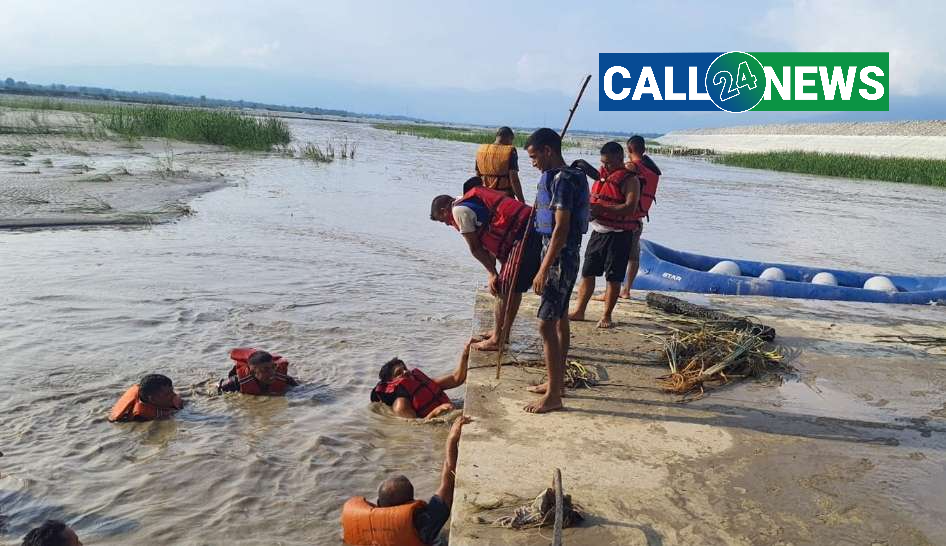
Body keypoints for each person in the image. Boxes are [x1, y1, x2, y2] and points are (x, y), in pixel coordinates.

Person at [522, 128, 589, 414]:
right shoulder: (564, 176)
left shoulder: (563, 180)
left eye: (535, 156)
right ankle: (556, 385)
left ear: (548, 150)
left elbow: (560, 230)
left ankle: (553, 397)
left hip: (559, 259)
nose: (533, 163)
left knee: (545, 325)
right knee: (560, 318)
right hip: (562, 256)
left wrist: (543, 269)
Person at [430, 185, 542, 352]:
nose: (446, 224)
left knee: (503, 287)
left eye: (442, 219)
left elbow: (475, 248)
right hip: (529, 228)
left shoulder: (458, 211)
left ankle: (498, 339)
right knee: (513, 286)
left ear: (444, 209)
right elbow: (488, 242)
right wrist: (494, 270)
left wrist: (492, 273)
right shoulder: (467, 201)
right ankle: (503, 333)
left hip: (524, 234)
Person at [341, 415, 471, 546]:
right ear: (412, 502)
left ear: (378, 504)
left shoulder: (362, 527)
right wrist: (452, 439)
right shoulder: (424, 523)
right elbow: (448, 478)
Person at [568, 142, 640, 328]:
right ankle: (579, 311)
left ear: (619, 158)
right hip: (598, 232)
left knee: (613, 277)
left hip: (620, 235)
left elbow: (630, 207)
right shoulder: (602, 176)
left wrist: (602, 208)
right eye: (603, 162)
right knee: (587, 272)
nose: (605, 166)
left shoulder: (630, 180)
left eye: (608, 163)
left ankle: (607, 316)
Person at [371, 338, 473, 419]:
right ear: (392, 383)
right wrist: (435, 412)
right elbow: (416, 427)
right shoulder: (400, 405)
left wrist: (465, 354)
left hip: (451, 411)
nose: (406, 372)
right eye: (399, 373)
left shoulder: (424, 384)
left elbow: (456, 379)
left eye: (405, 368)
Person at [218, 348, 299, 395]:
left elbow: (300, 390)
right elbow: (212, 389)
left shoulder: (284, 379)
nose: (272, 372)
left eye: (273, 367)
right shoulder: (235, 383)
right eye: (266, 369)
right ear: (253, 373)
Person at [475, 126, 525, 202]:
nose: (511, 143)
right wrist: (522, 201)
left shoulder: (481, 150)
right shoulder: (510, 151)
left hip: (485, 196)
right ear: (509, 137)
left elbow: (477, 176)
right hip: (503, 197)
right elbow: (514, 180)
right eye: (512, 140)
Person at [108, 373, 183, 422]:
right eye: (168, 394)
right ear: (152, 399)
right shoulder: (142, 416)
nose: (173, 395)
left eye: (172, 390)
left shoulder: (162, 398)